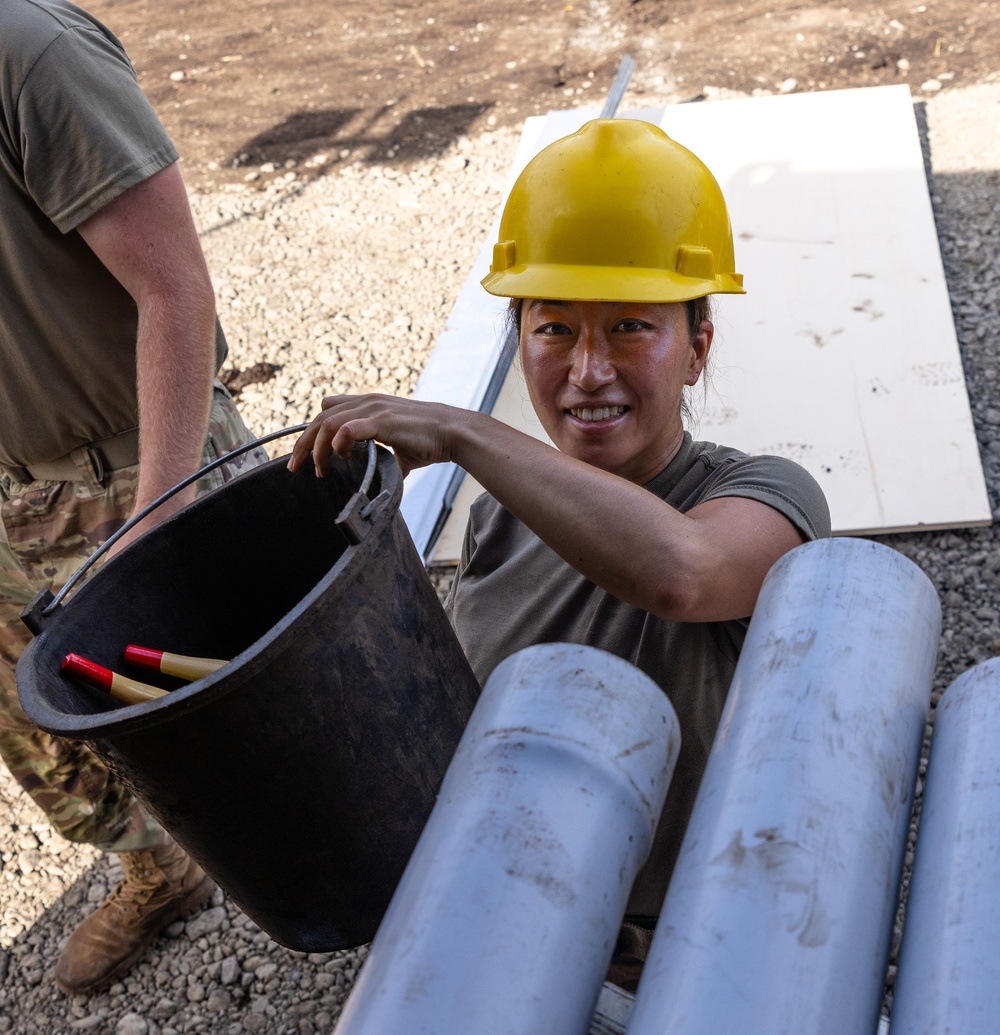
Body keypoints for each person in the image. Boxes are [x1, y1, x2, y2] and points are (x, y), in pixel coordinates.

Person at [290, 118, 832, 988]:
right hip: (496, 915)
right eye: (553, 330)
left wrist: (465, 431)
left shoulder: (770, 495)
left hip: (675, 962)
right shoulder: (501, 520)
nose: (587, 371)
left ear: (698, 348)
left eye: (628, 327)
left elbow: (681, 573)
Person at [0, 0, 266, 994]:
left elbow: (175, 290)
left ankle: (384, 912)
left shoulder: (27, 53)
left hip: (130, 474)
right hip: (10, 494)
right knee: (51, 738)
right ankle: (160, 871)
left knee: (253, 725)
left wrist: (158, 518)